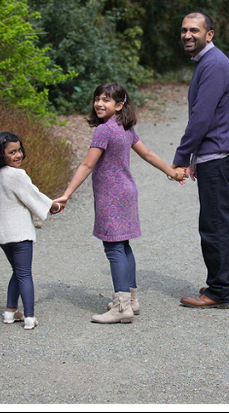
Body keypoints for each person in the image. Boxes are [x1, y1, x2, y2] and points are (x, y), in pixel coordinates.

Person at [53, 82, 185, 324]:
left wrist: (66, 194)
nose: (99, 103)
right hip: (127, 192)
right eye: (97, 99)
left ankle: (121, 307)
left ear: (119, 105)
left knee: (114, 248)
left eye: (106, 100)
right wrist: (172, 172)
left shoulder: (103, 130)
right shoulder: (125, 127)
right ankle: (131, 300)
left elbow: (87, 165)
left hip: (111, 196)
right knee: (123, 245)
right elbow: (147, 153)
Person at [172, 12, 229, 309]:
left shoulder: (213, 64)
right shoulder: (207, 61)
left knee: (213, 224)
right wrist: (195, 156)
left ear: (209, 34)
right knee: (219, 221)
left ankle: (219, 292)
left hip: (219, 153)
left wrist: (182, 157)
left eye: (194, 30)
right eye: (184, 30)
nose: (187, 35)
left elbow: (201, 117)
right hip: (217, 152)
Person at [0, 132, 62, 330]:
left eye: (19, 150)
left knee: (17, 271)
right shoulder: (17, 175)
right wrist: (54, 206)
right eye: (12, 152)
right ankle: (29, 316)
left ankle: (10, 311)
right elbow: (33, 196)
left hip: (3, 235)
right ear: (0, 154)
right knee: (24, 274)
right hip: (20, 234)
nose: (18, 155)